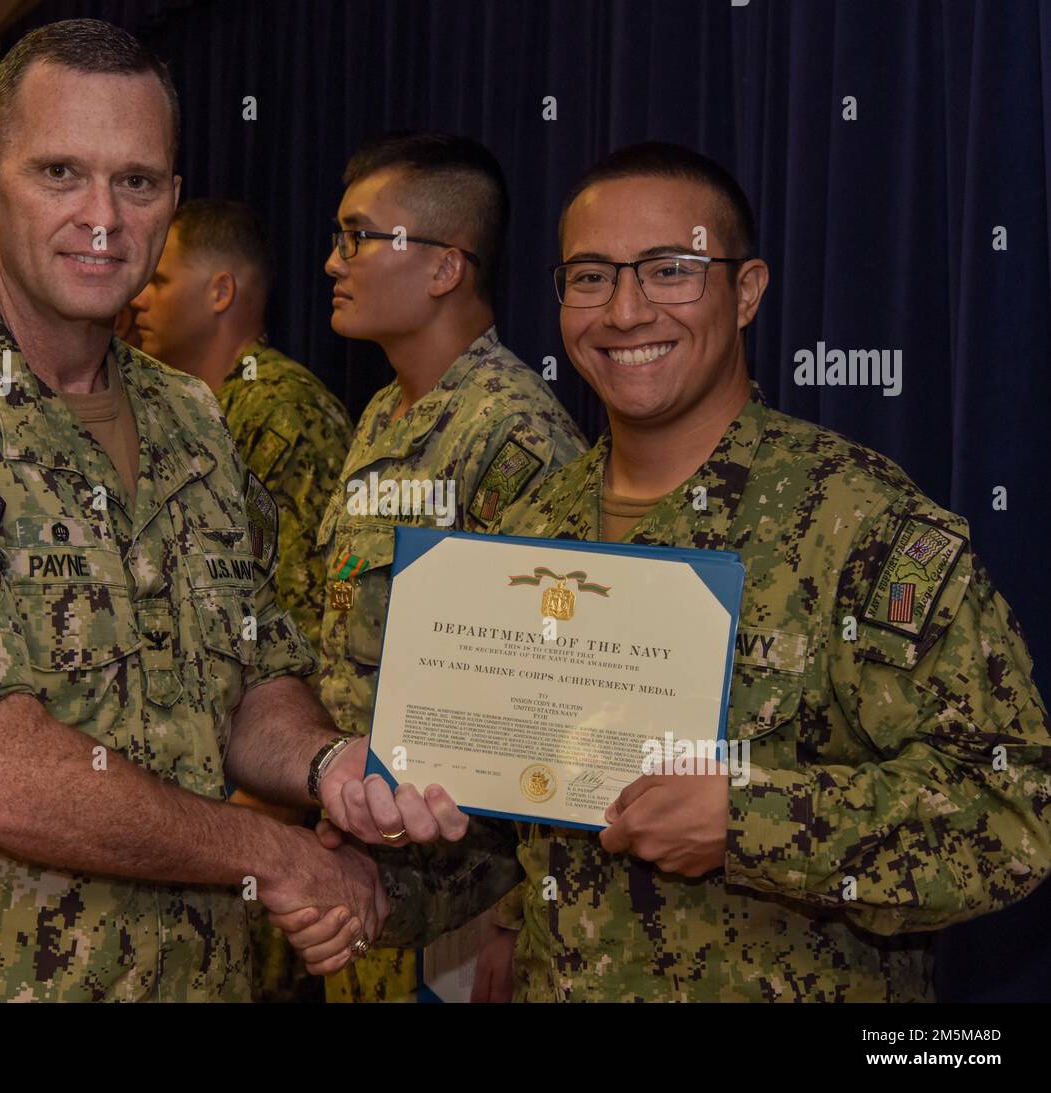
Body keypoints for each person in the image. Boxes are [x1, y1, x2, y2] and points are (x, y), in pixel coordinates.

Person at [0, 18, 463, 1003]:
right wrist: (273, 853)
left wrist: (328, 764)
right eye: (59, 173)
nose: (102, 216)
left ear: (169, 200)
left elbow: (252, 672)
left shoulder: (190, 418)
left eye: (136, 182)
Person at [280, 141, 1051, 1003]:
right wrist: (372, 890)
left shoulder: (859, 525)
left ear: (746, 290)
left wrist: (748, 819)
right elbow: (507, 831)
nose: (625, 310)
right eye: (591, 276)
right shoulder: (531, 535)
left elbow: (1011, 810)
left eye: (670, 270)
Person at [316, 131, 588, 1002]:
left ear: (444, 268)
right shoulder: (386, 416)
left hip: (465, 912)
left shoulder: (513, 437)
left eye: (358, 236)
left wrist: (516, 918)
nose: (333, 261)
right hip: (372, 881)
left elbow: (555, 699)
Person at [130, 198, 351, 655]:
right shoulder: (181, 408)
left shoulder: (285, 412)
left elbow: (298, 616)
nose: (138, 298)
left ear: (220, 293)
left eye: (158, 280)